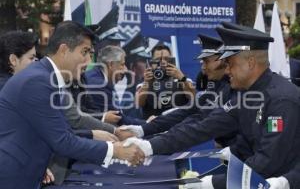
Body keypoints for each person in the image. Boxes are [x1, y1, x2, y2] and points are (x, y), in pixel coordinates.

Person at [124, 24, 300, 189]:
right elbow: (202, 127)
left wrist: (210, 183)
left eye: (230, 64)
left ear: (251, 63)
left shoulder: (281, 101)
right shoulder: (246, 96)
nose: (227, 70)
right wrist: (149, 146)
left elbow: (267, 163)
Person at [0, 21, 143, 189]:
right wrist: (115, 150)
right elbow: (63, 141)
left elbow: (60, 131)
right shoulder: (38, 80)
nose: (89, 60)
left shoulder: (45, 77)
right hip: (13, 177)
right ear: (64, 50)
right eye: (85, 52)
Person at [116, 34, 236, 149]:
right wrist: (143, 129)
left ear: (222, 60)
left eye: (206, 61)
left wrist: (181, 78)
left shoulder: (228, 86)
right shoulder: (146, 82)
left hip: (172, 137)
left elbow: (197, 113)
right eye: (157, 60)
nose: (203, 67)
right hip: (164, 134)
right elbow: (187, 112)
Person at [83, 45, 146, 126]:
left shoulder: (97, 77)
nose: (125, 70)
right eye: (122, 64)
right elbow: (118, 119)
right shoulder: (100, 84)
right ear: (111, 65)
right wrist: (147, 123)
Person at [135, 44, 196, 119]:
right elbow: (139, 103)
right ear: (151, 63)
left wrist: (181, 78)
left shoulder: (183, 80)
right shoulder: (143, 84)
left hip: (179, 126)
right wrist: (147, 83)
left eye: (166, 59)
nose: (162, 62)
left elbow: (194, 97)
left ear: (172, 60)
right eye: (158, 59)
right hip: (154, 127)